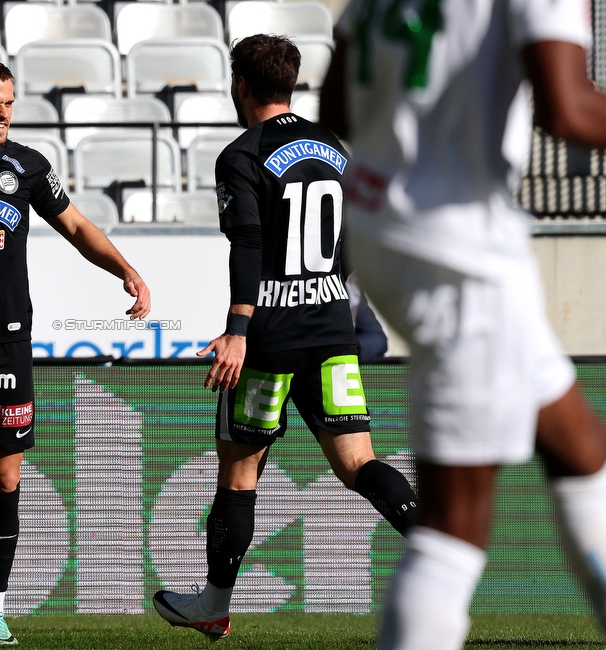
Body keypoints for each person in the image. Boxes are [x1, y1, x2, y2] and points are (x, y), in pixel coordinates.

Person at [319, 0, 606, 646]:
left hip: (386, 232)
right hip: (459, 248)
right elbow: (567, 105)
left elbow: (335, 107)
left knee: (580, 447)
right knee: (453, 528)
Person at [151, 34, 419, 641]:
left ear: (240, 84)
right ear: (290, 82)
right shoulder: (334, 149)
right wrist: (325, 290)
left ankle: (213, 605)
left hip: (267, 339)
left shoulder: (241, 155)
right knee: (360, 463)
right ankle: (436, 544)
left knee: (239, 477)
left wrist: (238, 328)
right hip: (332, 332)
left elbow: (246, 245)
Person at [0, 55, 151, 646]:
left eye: (9, 102)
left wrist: (125, 269)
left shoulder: (28, 166)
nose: (3, 113)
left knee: (4, 479)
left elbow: (76, 226)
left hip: (8, 343)